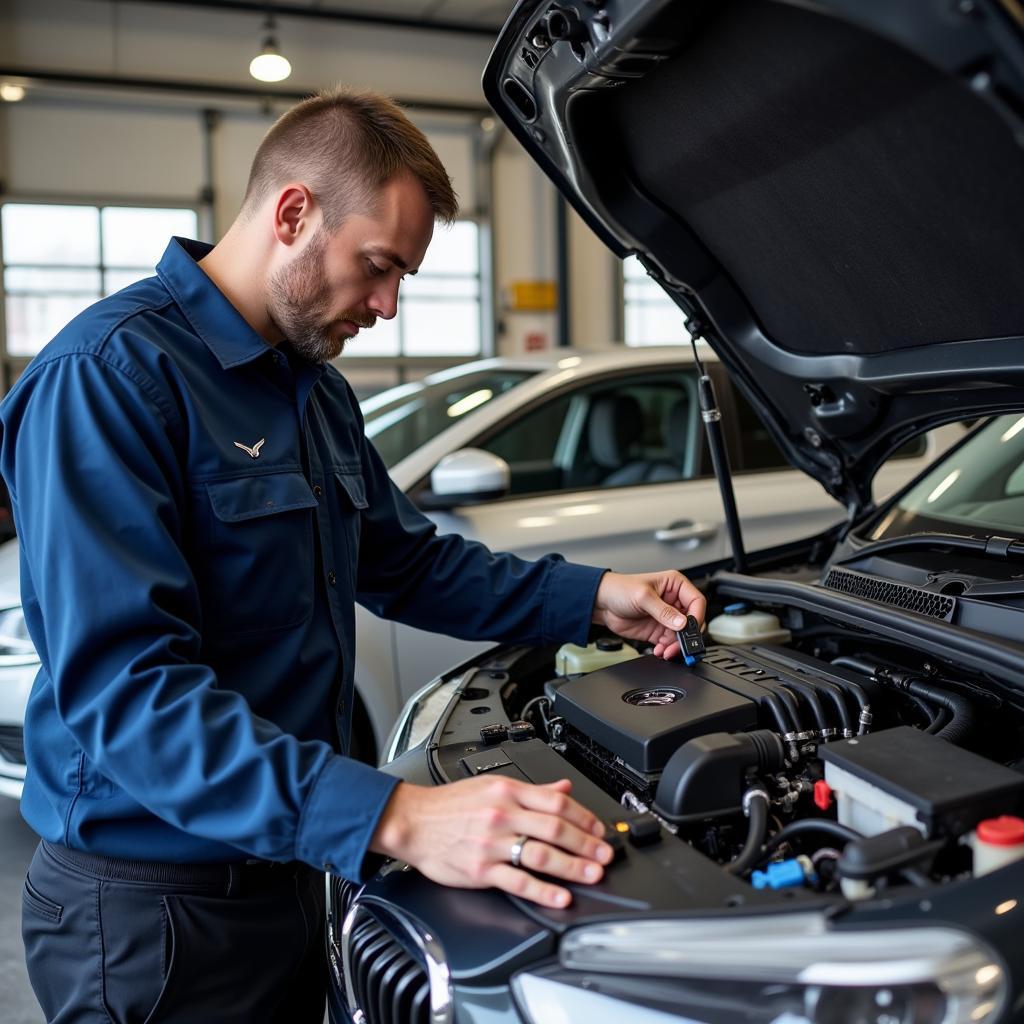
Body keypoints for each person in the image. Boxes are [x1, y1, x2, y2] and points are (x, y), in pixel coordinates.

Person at [0, 87, 705, 1023]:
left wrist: (595, 596)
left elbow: (407, 564)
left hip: (297, 869)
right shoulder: (110, 379)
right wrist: (397, 818)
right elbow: (127, 695)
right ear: (293, 213)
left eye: (404, 276)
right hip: (154, 915)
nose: (387, 304)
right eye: (378, 266)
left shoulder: (313, 390)